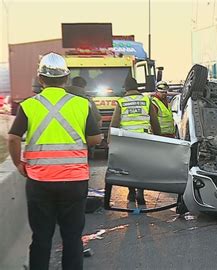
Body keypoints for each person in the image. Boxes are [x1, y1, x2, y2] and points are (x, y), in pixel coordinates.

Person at [8, 52, 102, 270]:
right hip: (74, 182)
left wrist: (18, 164)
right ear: (66, 78)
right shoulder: (81, 105)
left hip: (39, 182)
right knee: (72, 238)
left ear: (40, 79)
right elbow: (95, 138)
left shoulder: (29, 106)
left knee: (41, 238)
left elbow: (13, 138)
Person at [109, 74, 160, 205]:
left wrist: (110, 140)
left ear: (125, 88)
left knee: (129, 166)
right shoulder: (147, 100)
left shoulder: (121, 102)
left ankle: (131, 192)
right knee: (141, 166)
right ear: (137, 87)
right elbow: (154, 121)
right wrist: (158, 137)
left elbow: (114, 123)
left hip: (127, 140)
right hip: (144, 139)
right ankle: (140, 193)